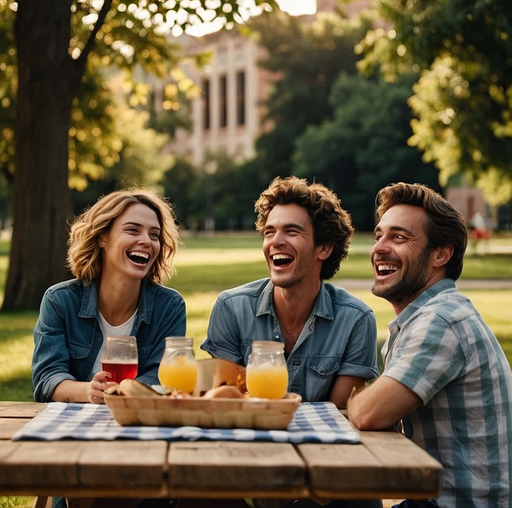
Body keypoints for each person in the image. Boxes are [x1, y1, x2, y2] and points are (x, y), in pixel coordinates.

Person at [201, 176, 381, 508]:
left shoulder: (355, 320)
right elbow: (229, 403)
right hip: (246, 460)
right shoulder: (231, 307)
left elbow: (341, 417)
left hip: (325, 474)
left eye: (292, 232)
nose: (276, 242)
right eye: (270, 232)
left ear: (323, 248)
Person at [347, 182, 512, 508]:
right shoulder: (427, 317)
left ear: (441, 254)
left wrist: (357, 402)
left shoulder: (442, 321)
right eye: (379, 235)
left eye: (398, 237)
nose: (379, 247)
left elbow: (367, 413)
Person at [32, 188, 186, 404]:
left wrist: (120, 394)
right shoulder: (60, 301)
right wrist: (90, 391)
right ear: (102, 237)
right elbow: (47, 378)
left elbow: (161, 376)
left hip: (138, 418)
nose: (147, 241)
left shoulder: (169, 306)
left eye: (154, 235)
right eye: (133, 230)